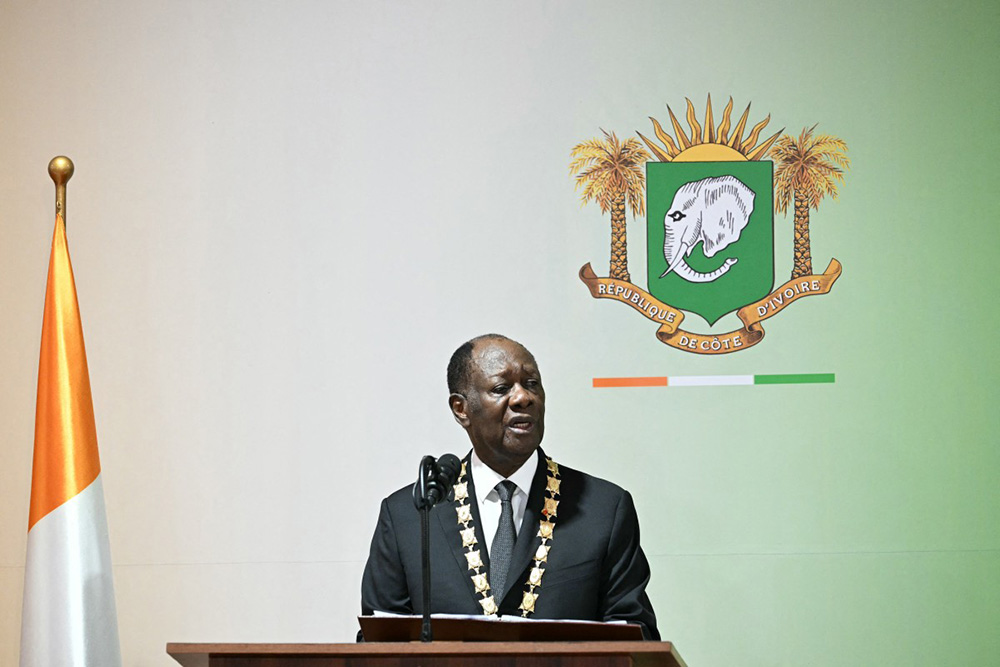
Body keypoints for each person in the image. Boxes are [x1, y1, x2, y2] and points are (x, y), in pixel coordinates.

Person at [360, 334, 659, 639]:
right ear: (461, 409)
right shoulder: (410, 516)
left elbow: (637, 636)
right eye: (502, 389)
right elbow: (376, 641)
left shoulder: (603, 509)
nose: (523, 398)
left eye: (531, 384)